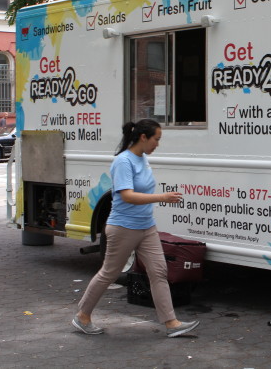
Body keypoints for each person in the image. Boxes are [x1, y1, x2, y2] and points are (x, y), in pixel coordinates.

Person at [73, 119, 200, 337]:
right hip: (123, 227)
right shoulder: (124, 161)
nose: (157, 144)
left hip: (146, 227)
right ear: (143, 137)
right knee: (109, 273)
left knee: (159, 271)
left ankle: (171, 323)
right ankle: (82, 316)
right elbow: (127, 196)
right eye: (156, 139)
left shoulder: (142, 159)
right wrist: (163, 197)